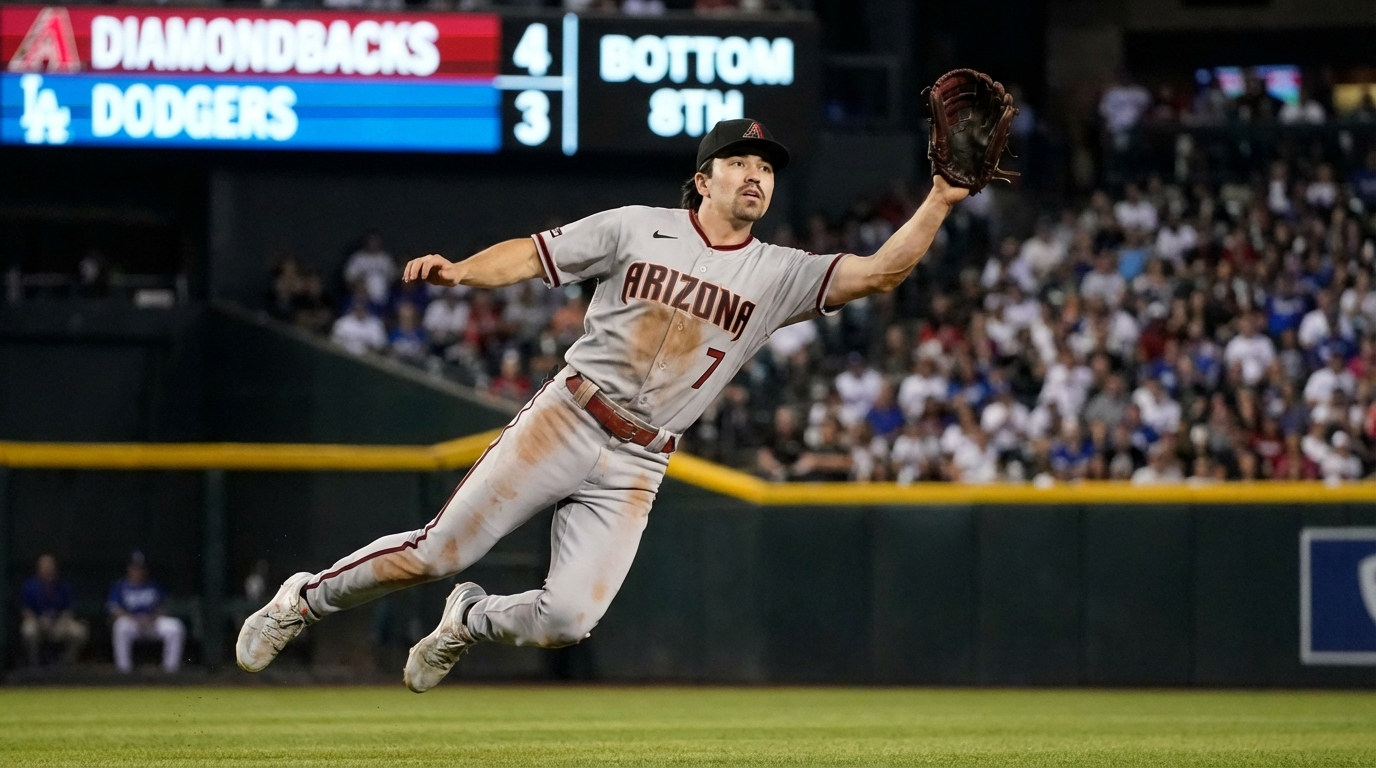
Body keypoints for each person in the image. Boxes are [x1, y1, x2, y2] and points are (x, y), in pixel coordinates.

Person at [236, 117, 971, 692]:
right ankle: (302, 602)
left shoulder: (777, 273)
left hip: (640, 459)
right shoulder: (633, 226)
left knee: (565, 621)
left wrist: (938, 199)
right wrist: (463, 273)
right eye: (742, 162)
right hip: (569, 415)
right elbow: (532, 253)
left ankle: (471, 617)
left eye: (768, 168)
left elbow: (879, 273)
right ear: (703, 179)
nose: (757, 176)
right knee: (437, 553)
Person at [107, 551, 185, 674]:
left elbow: (163, 607)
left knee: (175, 627)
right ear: (129, 569)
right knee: (120, 626)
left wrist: (151, 618)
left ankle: (170, 670)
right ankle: (124, 670)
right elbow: (115, 610)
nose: (138, 571)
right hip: (132, 624)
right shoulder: (120, 586)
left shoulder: (154, 585)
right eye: (135, 568)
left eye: (141, 568)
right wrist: (133, 618)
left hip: (151, 623)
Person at [19, 554, 88, 667]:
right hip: (37, 622)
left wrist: (61, 623)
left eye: (50, 565)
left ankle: (65, 664)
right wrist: (40, 622)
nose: (48, 568)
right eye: (44, 566)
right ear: (38, 568)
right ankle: (34, 665)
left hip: (58, 622)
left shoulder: (62, 585)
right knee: (29, 631)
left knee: (79, 632)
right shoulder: (30, 585)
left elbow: (68, 610)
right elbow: (26, 611)